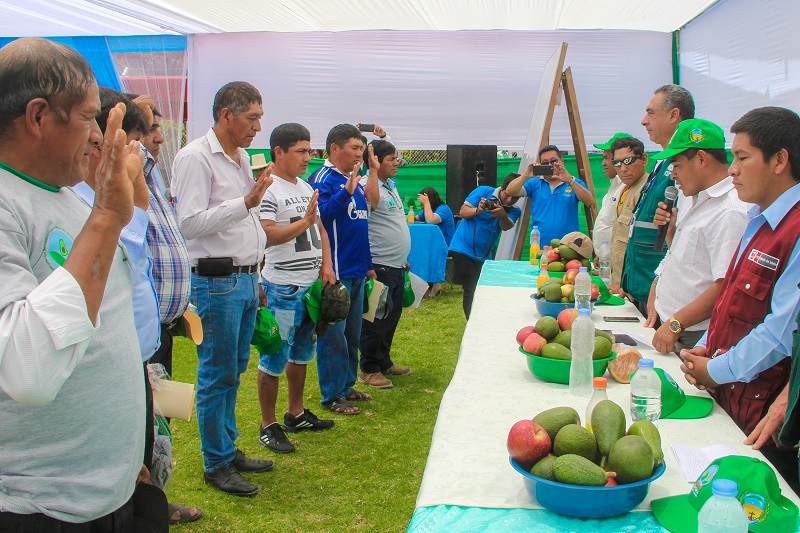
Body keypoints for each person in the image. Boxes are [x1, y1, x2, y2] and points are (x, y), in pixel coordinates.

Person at [0, 38, 160, 529]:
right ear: (39, 116)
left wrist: (127, 456)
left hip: (108, 492)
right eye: (91, 117)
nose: (98, 135)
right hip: (40, 507)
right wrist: (109, 217)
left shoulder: (69, 198)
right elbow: (28, 371)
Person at [680, 107, 800, 489]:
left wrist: (714, 370)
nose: (732, 168)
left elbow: (780, 333)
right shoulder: (757, 219)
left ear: (780, 159)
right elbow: (730, 298)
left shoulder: (794, 230)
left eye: (742, 157)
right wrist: (705, 345)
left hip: (763, 416)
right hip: (733, 396)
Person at [172, 81, 274, 497]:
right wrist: (246, 203)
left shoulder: (242, 157)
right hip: (216, 282)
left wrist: (258, 272)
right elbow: (190, 223)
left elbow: (244, 224)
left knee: (232, 370)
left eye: (260, 118)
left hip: (246, 277)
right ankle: (215, 461)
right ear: (226, 115)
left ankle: (225, 449)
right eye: (252, 118)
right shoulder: (195, 157)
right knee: (216, 374)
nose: (257, 127)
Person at [138, 98, 203, 524]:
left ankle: (152, 497)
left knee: (151, 419)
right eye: (148, 128)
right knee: (136, 423)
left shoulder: (151, 179)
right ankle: (141, 503)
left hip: (159, 326)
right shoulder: (116, 183)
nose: (160, 136)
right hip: (134, 333)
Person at [257, 123, 336, 454]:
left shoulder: (304, 186)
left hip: (309, 287)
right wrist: (302, 222)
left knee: (303, 351)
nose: (309, 157)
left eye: (309, 150)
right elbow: (266, 235)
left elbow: (319, 228)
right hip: (283, 288)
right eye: (301, 151)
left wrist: (327, 266)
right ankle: (267, 424)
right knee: (275, 356)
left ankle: (296, 412)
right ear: (279, 152)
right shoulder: (268, 189)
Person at [644, 119, 748, 355]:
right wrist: (670, 235)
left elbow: (725, 286)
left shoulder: (730, 211)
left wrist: (675, 322)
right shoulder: (699, 200)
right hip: (675, 329)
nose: (673, 176)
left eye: (677, 166)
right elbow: (692, 262)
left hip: (692, 336)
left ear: (701, 159)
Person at [308, 124, 374, 415]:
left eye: (362, 149)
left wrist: (368, 264)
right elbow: (320, 218)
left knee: (352, 332)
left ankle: (346, 386)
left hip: (357, 268)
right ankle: (332, 395)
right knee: (333, 334)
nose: (359, 154)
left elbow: (360, 224)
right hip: (336, 270)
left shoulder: (354, 181)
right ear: (334, 149)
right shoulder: (322, 179)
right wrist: (345, 192)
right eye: (355, 148)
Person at [621, 84, 695, 316]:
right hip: (641, 285)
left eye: (651, 112)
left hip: (661, 297)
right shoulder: (661, 164)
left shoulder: (688, 168)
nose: (644, 121)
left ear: (674, 115)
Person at [358, 139, 413, 389]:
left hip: (396, 265)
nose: (396, 163)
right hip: (379, 265)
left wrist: (402, 257)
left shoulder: (391, 186)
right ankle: (368, 369)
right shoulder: (367, 185)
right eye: (391, 159)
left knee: (391, 318)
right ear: (376, 161)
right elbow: (372, 204)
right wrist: (370, 170)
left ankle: (384, 361)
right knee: (376, 320)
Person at [448, 173, 522, 318]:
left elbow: (506, 227)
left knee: (481, 289)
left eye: (515, 198)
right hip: (462, 248)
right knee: (471, 287)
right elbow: (462, 212)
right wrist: (478, 210)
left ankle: (479, 319)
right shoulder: (483, 191)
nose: (509, 200)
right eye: (507, 194)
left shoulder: (514, 210)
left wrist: (502, 215)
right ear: (502, 187)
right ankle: (472, 322)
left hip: (484, 254)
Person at [504, 145, 596, 247]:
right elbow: (510, 191)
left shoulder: (574, 182)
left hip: (569, 247)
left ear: (562, 161)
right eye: (545, 163)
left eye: (553, 161)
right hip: (540, 246)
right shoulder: (535, 183)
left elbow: (590, 201)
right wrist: (525, 175)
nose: (550, 165)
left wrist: (570, 181)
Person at [608, 136, 649, 288]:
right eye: (617, 163)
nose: (623, 169)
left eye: (628, 161)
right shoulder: (625, 189)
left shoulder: (647, 190)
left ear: (644, 159)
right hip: (619, 282)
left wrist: (626, 285)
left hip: (633, 286)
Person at [591, 132, 631, 252]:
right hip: (606, 260)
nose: (603, 163)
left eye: (606, 158)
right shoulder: (614, 186)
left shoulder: (627, 188)